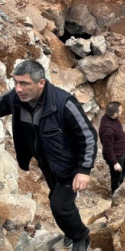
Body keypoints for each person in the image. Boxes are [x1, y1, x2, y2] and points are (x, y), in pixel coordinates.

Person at [0, 60, 97, 251]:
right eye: (16, 82)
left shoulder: (64, 103)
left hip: (68, 165)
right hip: (46, 162)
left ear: (41, 83)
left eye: (24, 83)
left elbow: (88, 136)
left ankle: (81, 236)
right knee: (59, 198)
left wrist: (84, 169)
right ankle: (71, 229)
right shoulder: (15, 98)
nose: (18, 88)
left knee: (59, 206)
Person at [98, 101, 125, 194]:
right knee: (116, 177)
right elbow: (108, 148)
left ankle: (120, 187)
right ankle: (115, 194)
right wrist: (115, 163)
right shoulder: (107, 130)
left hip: (121, 151)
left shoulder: (110, 117)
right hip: (116, 156)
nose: (122, 110)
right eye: (120, 110)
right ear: (115, 114)